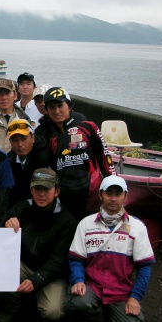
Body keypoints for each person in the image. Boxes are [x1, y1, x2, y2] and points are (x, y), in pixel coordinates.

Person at [66, 175, 155, 322]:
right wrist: (78, 279)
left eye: (117, 194)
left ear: (125, 196)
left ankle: (112, 317)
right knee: (77, 303)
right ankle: (80, 319)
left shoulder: (137, 227)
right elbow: (76, 259)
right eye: (108, 193)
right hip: (92, 286)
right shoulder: (86, 224)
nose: (113, 198)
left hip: (120, 291)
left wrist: (135, 297)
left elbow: (145, 266)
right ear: (100, 195)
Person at [0, 168, 77, 322]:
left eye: (46, 189)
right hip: (23, 265)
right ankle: (14, 306)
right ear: (31, 190)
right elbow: (1, 225)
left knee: (52, 312)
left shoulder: (67, 221)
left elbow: (58, 260)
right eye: (38, 189)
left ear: (56, 191)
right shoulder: (21, 208)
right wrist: (6, 221)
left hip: (50, 273)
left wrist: (36, 280)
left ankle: (38, 302)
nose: (41, 194)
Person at [40, 87, 115, 221]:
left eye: (60, 106)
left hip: (92, 199)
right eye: (52, 107)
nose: (57, 111)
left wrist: (114, 186)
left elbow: (105, 159)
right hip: (64, 202)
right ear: (46, 111)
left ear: (69, 107)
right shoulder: (48, 136)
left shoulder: (88, 127)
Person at [6, 119, 51, 207]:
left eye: (23, 139)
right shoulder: (9, 160)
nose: (20, 144)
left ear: (33, 138)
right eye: (15, 140)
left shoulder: (44, 159)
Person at [0, 79, 32, 153]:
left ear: (15, 95)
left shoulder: (24, 119)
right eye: (0, 94)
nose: (4, 98)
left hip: (16, 163)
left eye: (7, 93)